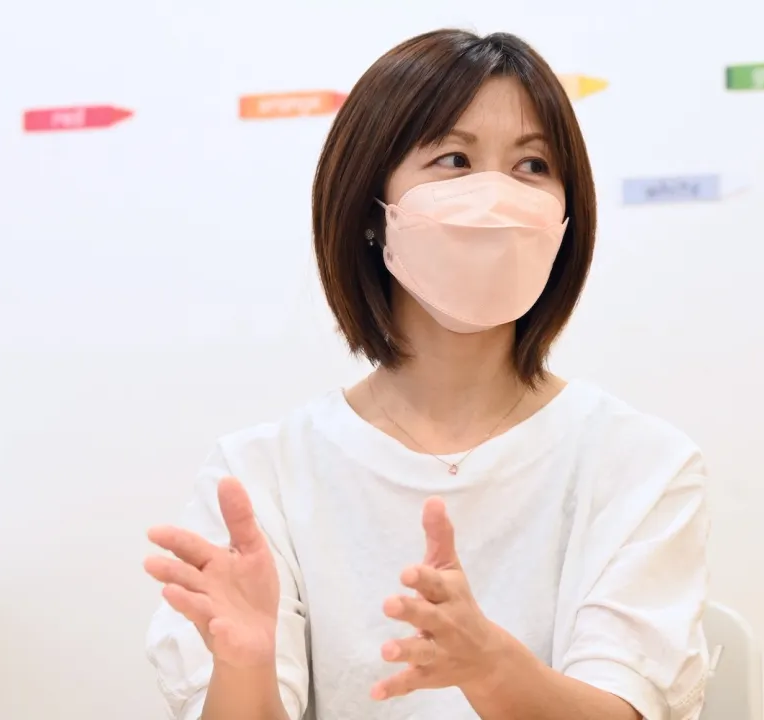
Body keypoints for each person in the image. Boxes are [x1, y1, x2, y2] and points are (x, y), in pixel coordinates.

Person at [144, 28, 710, 720]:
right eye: (454, 159)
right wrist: (244, 668)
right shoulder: (263, 475)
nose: (495, 195)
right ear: (371, 210)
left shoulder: (639, 464)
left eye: (532, 165)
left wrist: (492, 670)